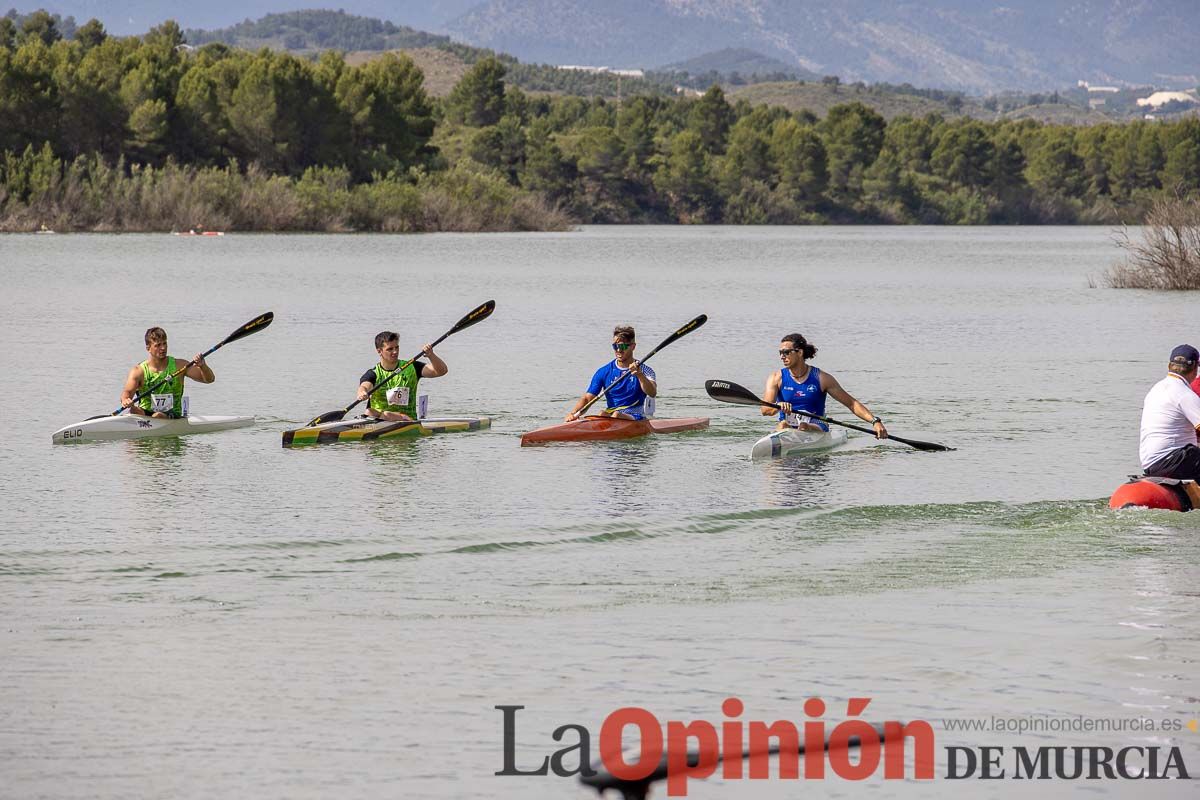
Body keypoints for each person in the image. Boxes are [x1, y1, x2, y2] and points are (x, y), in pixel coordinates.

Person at [761, 333, 888, 439]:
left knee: (803, 426)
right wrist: (778, 406)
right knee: (783, 424)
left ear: (799, 352)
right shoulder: (776, 378)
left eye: (787, 352)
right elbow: (765, 410)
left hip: (816, 424)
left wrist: (875, 421)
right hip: (787, 426)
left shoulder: (822, 378)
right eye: (780, 352)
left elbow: (851, 404)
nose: (782, 356)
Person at [565, 325, 657, 421]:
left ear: (633, 347)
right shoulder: (604, 372)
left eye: (622, 346)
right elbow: (588, 398)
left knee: (616, 415)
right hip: (610, 414)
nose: (618, 350)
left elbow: (652, 392)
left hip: (635, 415)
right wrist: (573, 413)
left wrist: (639, 375)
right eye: (615, 346)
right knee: (602, 413)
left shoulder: (645, 370)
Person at [120, 327, 214, 418]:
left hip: (171, 414)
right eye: (158, 345)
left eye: (164, 344)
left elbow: (209, 380)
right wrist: (126, 400)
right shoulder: (138, 371)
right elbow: (127, 393)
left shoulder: (180, 365)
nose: (163, 348)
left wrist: (203, 366)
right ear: (148, 348)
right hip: (145, 413)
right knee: (133, 410)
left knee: (158, 415)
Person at [357, 331, 447, 421]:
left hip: (407, 420)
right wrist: (362, 392)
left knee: (385, 414)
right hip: (378, 420)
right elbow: (364, 386)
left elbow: (441, 371)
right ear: (379, 351)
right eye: (390, 349)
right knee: (369, 412)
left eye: (397, 347)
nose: (395, 352)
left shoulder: (411, 367)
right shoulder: (373, 373)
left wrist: (431, 355)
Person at [1140, 345, 1200, 479]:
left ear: (1169, 365)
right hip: (1172, 461)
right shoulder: (1184, 394)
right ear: (1195, 368)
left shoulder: (1156, 389)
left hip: (1150, 463)